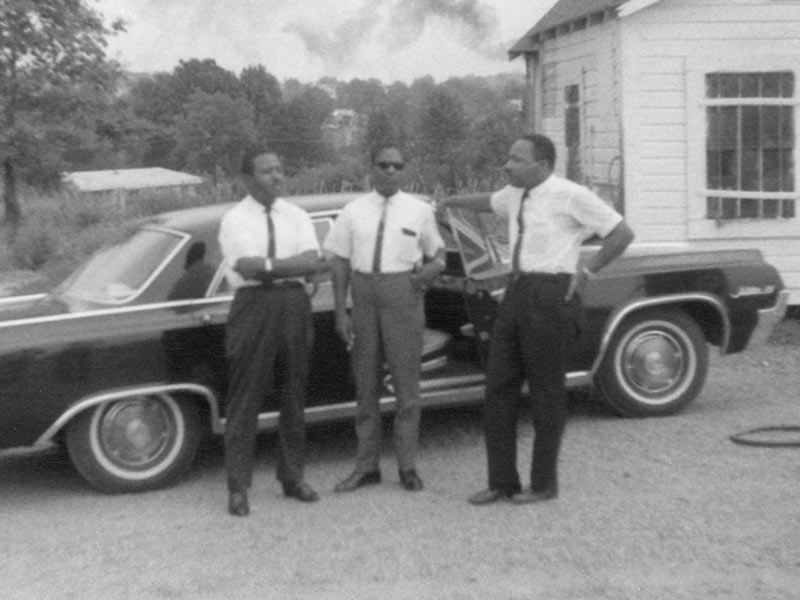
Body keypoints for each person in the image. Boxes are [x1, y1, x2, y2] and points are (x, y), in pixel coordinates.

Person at [440, 133, 634, 505]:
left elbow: (621, 232)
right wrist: (451, 202)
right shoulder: (514, 194)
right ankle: (502, 482)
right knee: (498, 389)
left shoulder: (571, 195)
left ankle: (544, 484)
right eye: (508, 157)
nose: (507, 165)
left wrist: (587, 272)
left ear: (542, 164)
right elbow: (487, 202)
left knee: (546, 393)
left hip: (551, 295)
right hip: (515, 293)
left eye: (516, 159)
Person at [324, 143, 446, 493]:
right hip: (363, 299)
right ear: (372, 168)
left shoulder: (420, 210)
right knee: (366, 388)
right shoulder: (352, 210)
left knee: (407, 390)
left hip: (403, 299)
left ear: (405, 170)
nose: (390, 170)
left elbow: (437, 253)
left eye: (397, 165)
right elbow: (340, 262)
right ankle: (367, 467)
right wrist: (340, 313)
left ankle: (407, 467)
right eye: (383, 164)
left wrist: (430, 272)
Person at [218, 148, 328, 516]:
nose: (277, 177)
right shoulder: (235, 219)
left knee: (294, 394)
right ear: (248, 179)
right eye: (267, 171)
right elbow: (247, 268)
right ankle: (238, 487)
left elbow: (313, 260)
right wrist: (289, 266)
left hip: (294, 306)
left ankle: (292, 478)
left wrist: (274, 267)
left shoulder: (296, 215)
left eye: (280, 169)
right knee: (245, 397)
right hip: (254, 308)